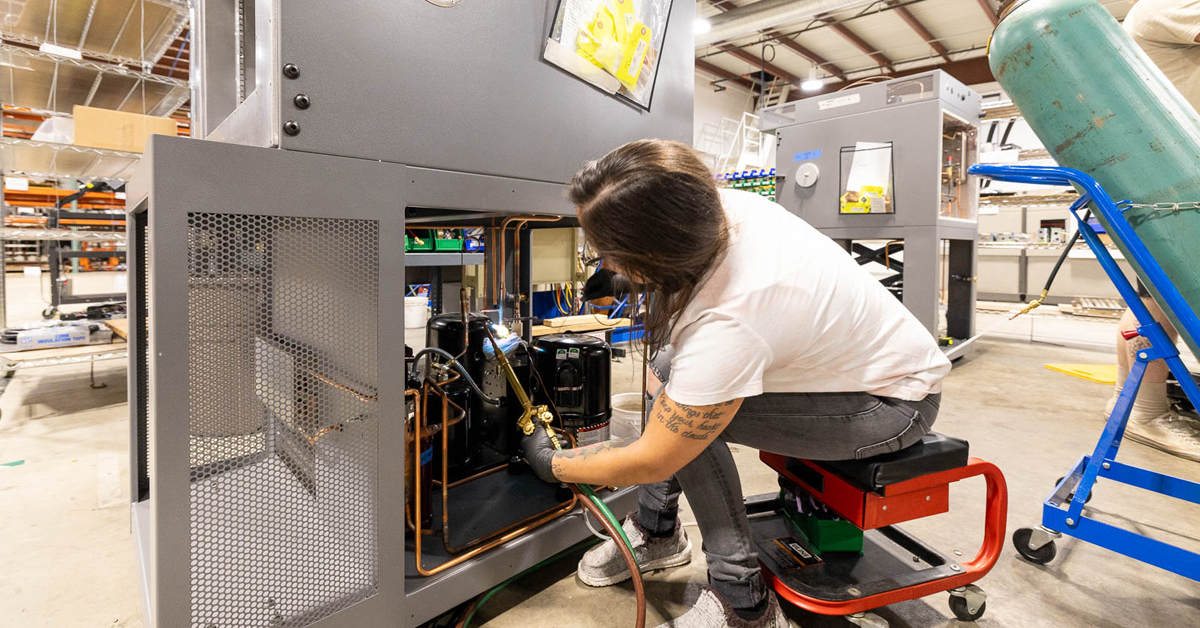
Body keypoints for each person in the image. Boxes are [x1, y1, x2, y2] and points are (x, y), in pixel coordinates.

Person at [522, 139, 950, 628]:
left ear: (654, 249)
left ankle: (743, 602)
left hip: (890, 404)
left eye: (609, 254)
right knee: (668, 372)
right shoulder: (713, 207)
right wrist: (629, 279)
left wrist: (553, 463)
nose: (607, 264)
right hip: (843, 365)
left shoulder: (732, 318)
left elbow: (656, 457)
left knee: (684, 429)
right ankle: (659, 533)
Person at [1103, 0, 1200, 461]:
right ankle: (1145, 412)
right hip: (1176, 177)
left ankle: (1136, 404)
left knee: (1150, 298)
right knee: (1159, 299)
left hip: (1167, 177)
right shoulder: (1170, 4)